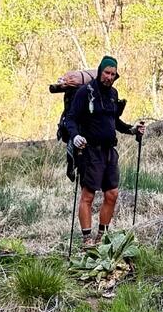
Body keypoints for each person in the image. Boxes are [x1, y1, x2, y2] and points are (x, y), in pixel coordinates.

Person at [61, 56, 144, 247]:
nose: (109, 77)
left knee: (112, 194)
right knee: (88, 195)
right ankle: (87, 240)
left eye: (113, 74)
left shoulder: (113, 94)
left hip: (109, 151)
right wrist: (75, 136)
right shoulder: (85, 92)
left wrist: (132, 129)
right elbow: (71, 119)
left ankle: (101, 236)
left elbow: (114, 121)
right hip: (89, 151)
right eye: (107, 73)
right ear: (100, 72)